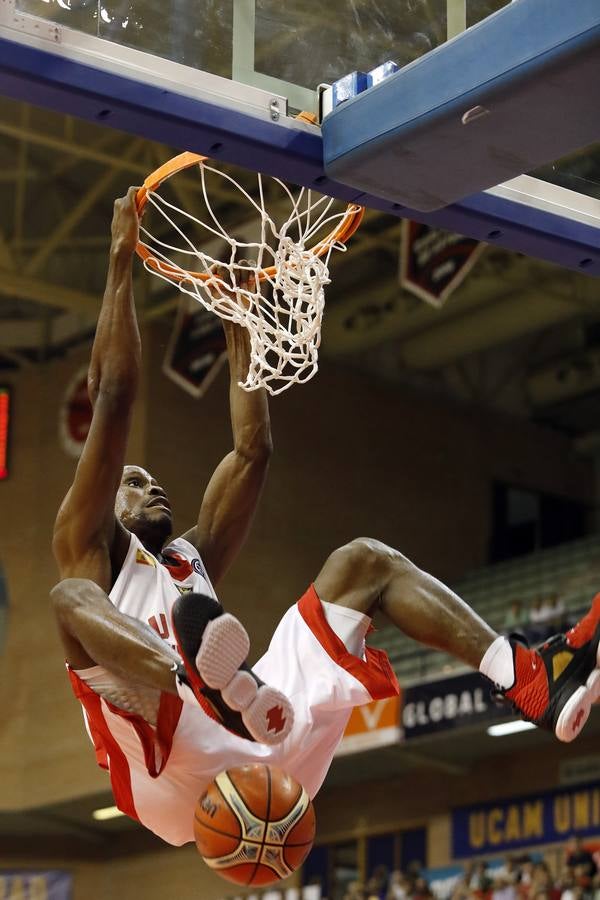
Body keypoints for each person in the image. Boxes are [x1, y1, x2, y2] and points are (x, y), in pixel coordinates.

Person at [52, 189, 600, 849]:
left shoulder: (191, 560)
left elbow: (252, 452)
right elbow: (112, 397)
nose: (150, 483)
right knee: (68, 599)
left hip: (265, 736)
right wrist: (119, 259)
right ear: (103, 499)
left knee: (364, 562)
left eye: (150, 476)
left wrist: (241, 322)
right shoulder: (86, 548)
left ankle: (528, 676)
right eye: (132, 483)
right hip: (169, 771)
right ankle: (197, 678)